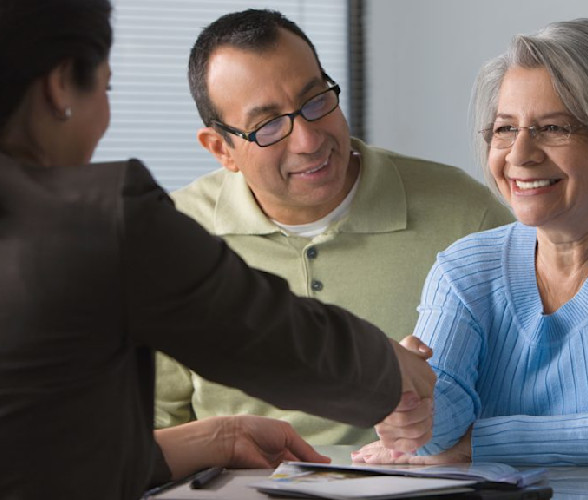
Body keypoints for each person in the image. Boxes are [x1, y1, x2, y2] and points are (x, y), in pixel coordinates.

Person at [0, 1, 438, 498]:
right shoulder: (100, 217)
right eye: (106, 88)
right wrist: (392, 372)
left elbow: (12, 455)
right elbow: (267, 335)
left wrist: (208, 440)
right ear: (58, 88)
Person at [353, 18, 588, 480]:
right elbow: (439, 435)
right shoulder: (464, 269)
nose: (520, 154)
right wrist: (409, 399)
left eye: (553, 127)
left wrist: (482, 444)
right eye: (504, 129)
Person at [155, 8, 513, 447]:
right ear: (220, 148)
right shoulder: (172, 238)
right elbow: (150, 433)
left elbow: (531, 389)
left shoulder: (465, 215)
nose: (308, 141)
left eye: (316, 100)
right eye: (267, 126)